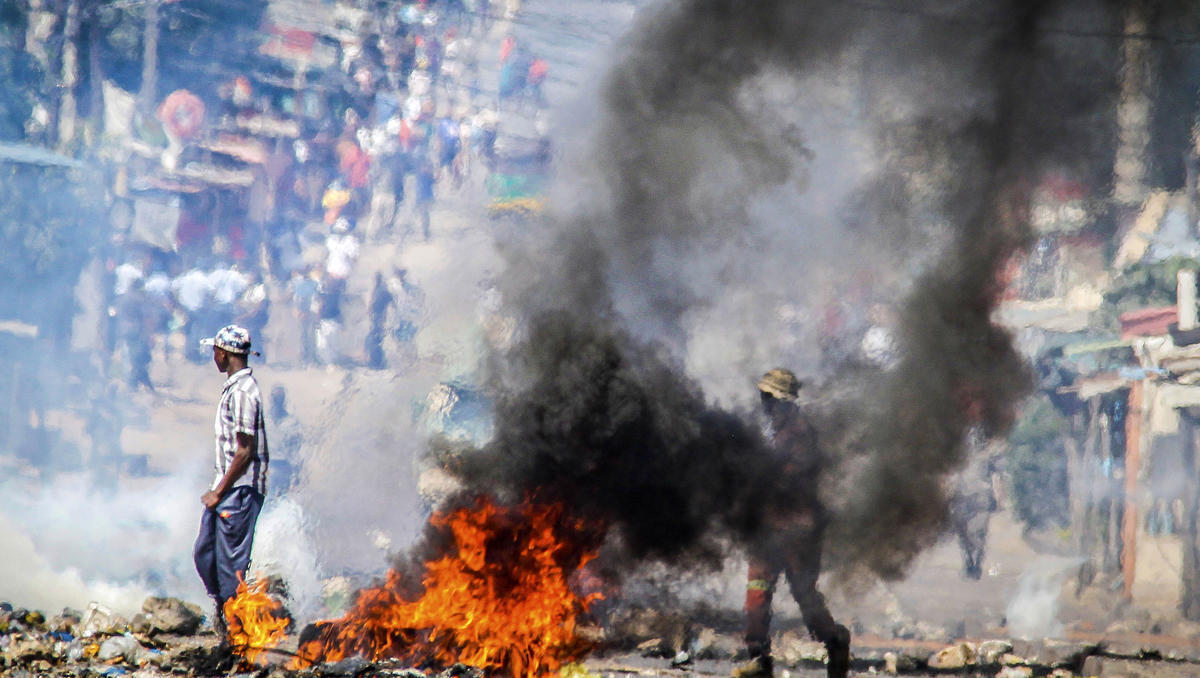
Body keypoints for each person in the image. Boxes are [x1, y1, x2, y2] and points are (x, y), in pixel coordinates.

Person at [735, 368, 849, 678]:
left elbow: (788, 479)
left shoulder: (799, 435)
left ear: (784, 402)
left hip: (798, 529)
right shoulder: (774, 433)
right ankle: (758, 657)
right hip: (768, 527)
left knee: (804, 594)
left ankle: (835, 641)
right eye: (763, 398)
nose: (765, 405)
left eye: (770, 398)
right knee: (757, 590)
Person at [193, 324, 270, 636]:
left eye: (215, 351)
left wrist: (218, 491)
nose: (214, 356)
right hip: (227, 489)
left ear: (222, 354)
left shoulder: (242, 393)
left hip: (238, 491)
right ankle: (225, 613)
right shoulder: (235, 389)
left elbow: (244, 451)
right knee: (205, 553)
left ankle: (239, 635)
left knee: (230, 569)